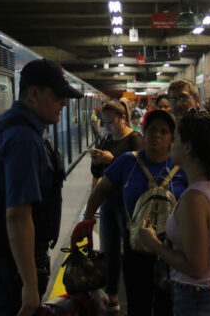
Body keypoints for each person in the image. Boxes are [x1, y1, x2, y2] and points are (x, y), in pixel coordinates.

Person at [0, 58, 82, 316]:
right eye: (58, 96)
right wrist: (30, 285)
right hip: (11, 267)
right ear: (33, 94)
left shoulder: (2, 124)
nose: (64, 103)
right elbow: (18, 217)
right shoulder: (23, 140)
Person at [77, 110, 188, 316]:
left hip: (172, 251)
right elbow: (101, 191)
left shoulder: (181, 165)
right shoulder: (128, 161)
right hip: (136, 249)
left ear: (172, 138)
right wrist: (86, 222)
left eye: (164, 131)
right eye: (152, 129)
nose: (157, 134)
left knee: (168, 307)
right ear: (143, 132)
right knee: (138, 305)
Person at [138, 110, 210, 316]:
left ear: (187, 147)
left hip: (199, 301)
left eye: (174, 139)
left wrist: (153, 243)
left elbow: (196, 268)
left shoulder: (195, 199)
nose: (170, 145)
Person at [89, 101, 144, 311]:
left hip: (128, 204)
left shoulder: (135, 139)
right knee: (110, 249)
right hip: (109, 202)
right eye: (104, 122)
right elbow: (98, 175)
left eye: (110, 122)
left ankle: (135, 293)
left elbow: (137, 172)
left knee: (130, 250)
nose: (107, 126)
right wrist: (97, 162)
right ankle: (112, 293)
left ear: (122, 119)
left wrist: (112, 159)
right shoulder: (106, 139)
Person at [168, 79, 210, 184]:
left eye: (183, 98)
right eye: (173, 99)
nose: (178, 104)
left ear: (196, 99)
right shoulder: (167, 130)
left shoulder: (209, 130)